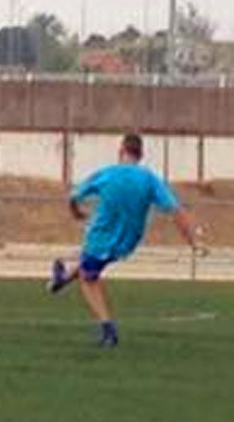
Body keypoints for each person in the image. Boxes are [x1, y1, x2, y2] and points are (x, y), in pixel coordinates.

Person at [48, 132, 208, 347]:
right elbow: (175, 210)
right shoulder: (150, 179)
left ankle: (108, 329)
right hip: (128, 241)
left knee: (88, 278)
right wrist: (193, 242)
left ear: (121, 150)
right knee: (90, 264)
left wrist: (75, 212)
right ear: (140, 155)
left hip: (101, 236)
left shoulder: (107, 174)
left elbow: (74, 196)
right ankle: (61, 280)